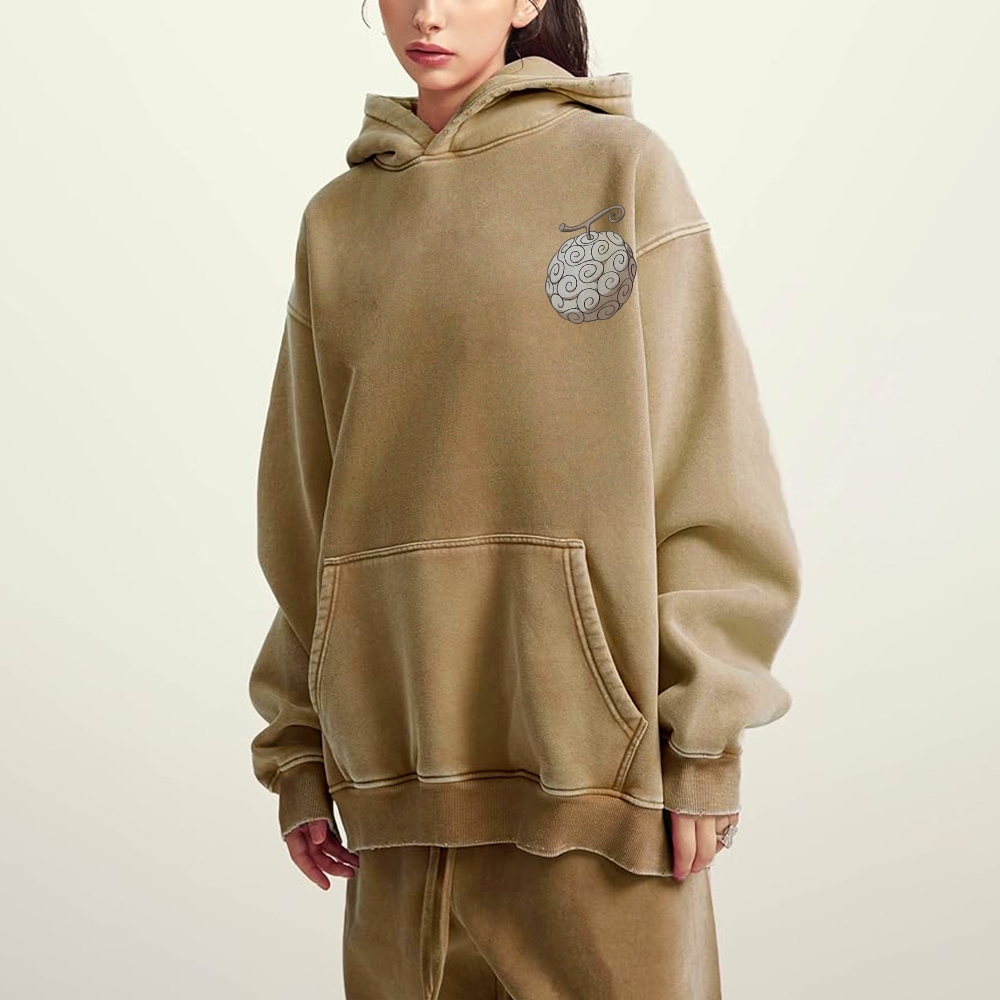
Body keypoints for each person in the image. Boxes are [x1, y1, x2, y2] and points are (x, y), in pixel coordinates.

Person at [247, 1, 802, 996]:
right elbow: (303, 504)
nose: (426, 12)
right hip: (394, 798)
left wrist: (705, 740)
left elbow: (707, 458)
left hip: (599, 791)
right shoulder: (337, 222)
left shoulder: (621, 170)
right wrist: (299, 749)